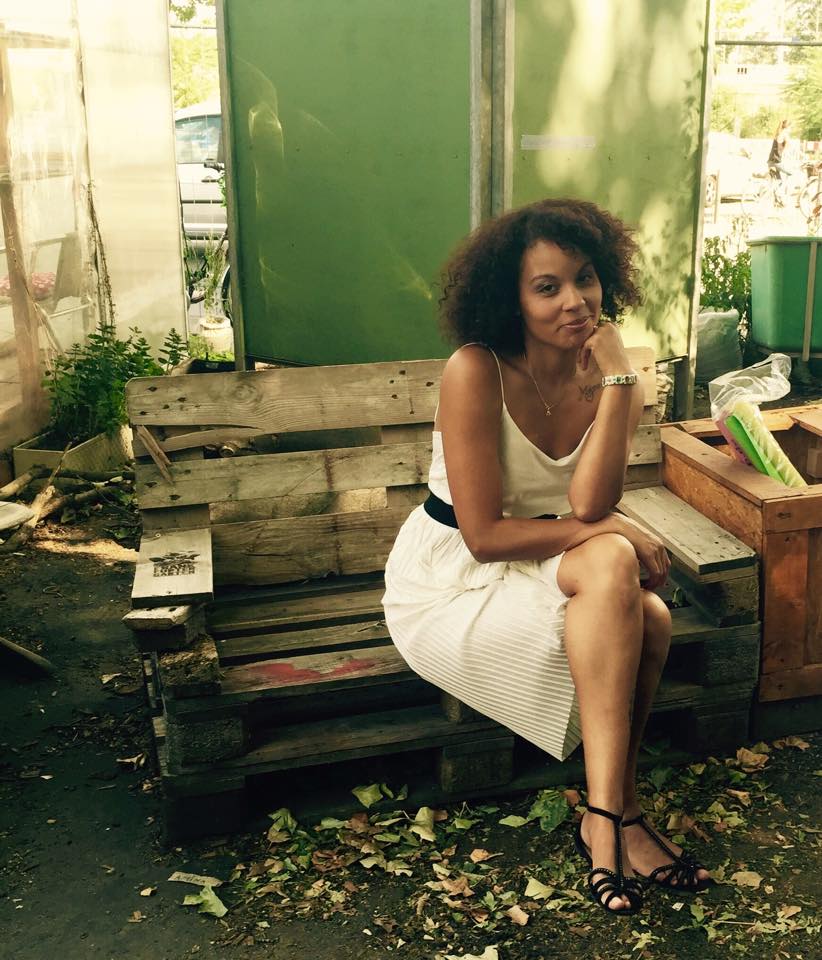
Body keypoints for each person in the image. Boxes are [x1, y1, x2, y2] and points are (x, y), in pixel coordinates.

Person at [382, 198, 712, 915]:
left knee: (645, 605)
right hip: (454, 574)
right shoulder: (476, 369)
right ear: (512, 298)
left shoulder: (607, 372)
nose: (574, 301)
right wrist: (613, 530)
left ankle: (606, 816)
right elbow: (483, 536)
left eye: (585, 278)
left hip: (539, 551)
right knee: (631, 585)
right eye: (547, 287)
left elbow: (589, 505)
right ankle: (619, 817)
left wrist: (619, 383)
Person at [767, 120, 793, 205]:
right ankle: (781, 195)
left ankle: (778, 201)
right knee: (791, 174)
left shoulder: (778, 134)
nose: (791, 129)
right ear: (787, 127)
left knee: (779, 181)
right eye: (791, 127)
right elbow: (788, 150)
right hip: (776, 162)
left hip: (770, 161)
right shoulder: (784, 135)